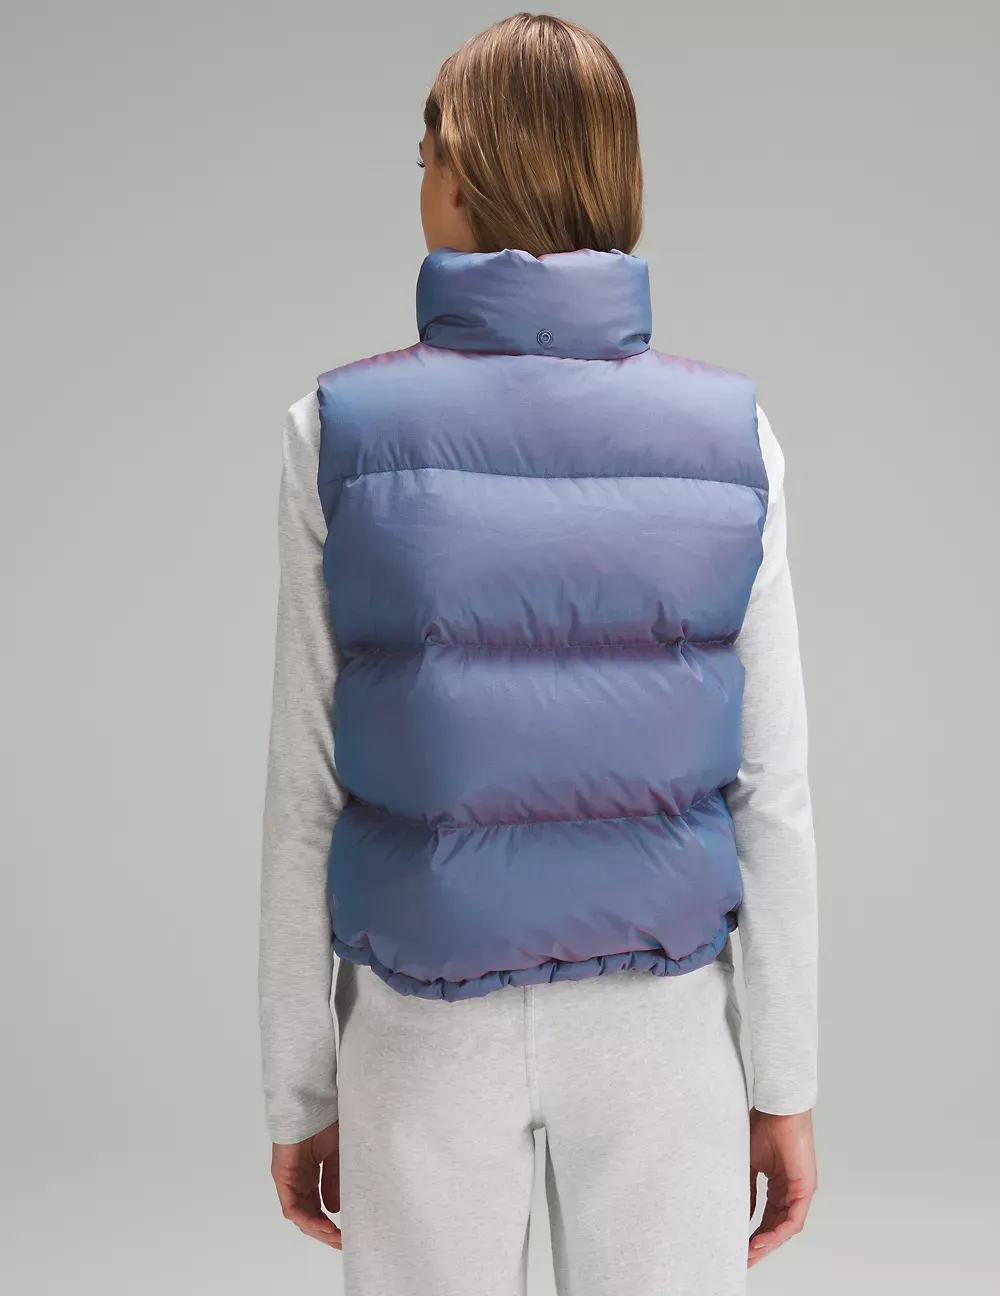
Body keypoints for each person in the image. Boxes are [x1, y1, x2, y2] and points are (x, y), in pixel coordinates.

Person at [258, 12, 819, 1295]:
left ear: (467, 173)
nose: (419, 184)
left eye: (425, 157)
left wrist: (299, 1089)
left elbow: (306, 787)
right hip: (663, 1035)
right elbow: (772, 793)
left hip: (422, 1032)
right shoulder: (735, 438)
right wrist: (784, 1080)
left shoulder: (335, 432)